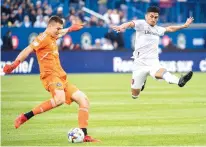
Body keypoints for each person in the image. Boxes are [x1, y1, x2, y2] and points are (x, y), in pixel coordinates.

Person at [3, 15, 100, 142]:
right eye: (58, 28)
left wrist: (71, 28)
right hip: (50, 76)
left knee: (84, 100)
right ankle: (25, 117)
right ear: (50, 26)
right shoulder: (42, 38)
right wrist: (15, 64)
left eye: (61, 29)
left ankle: (84, 134)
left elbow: (62, 31)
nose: (59, 31)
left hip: (61, 76)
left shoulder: (54, 35)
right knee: (59, 99)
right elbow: (27, 49)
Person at [111, 6, 194, 99]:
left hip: (153, 61)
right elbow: (130, 24)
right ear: (146, 16)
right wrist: (121, 26)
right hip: (139, 63)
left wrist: (183, 26)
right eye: (151, 16)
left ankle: (179, 81)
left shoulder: (158, 29)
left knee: (161, 73)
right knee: (135, 95)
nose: (153, 19)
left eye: (156, 17)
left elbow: (170, 28)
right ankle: (142, 82)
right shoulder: (141, 24)